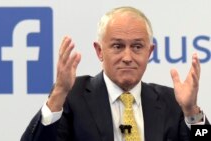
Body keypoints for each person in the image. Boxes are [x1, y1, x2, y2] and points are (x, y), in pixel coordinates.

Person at [21, 6, 209, 141]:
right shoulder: (72, 96)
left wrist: (192, 111)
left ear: (149, 52)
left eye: (137, 47)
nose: (127, 57)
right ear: (99, 51)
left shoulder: (172, 101)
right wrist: (59, 94)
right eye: (118, 46)